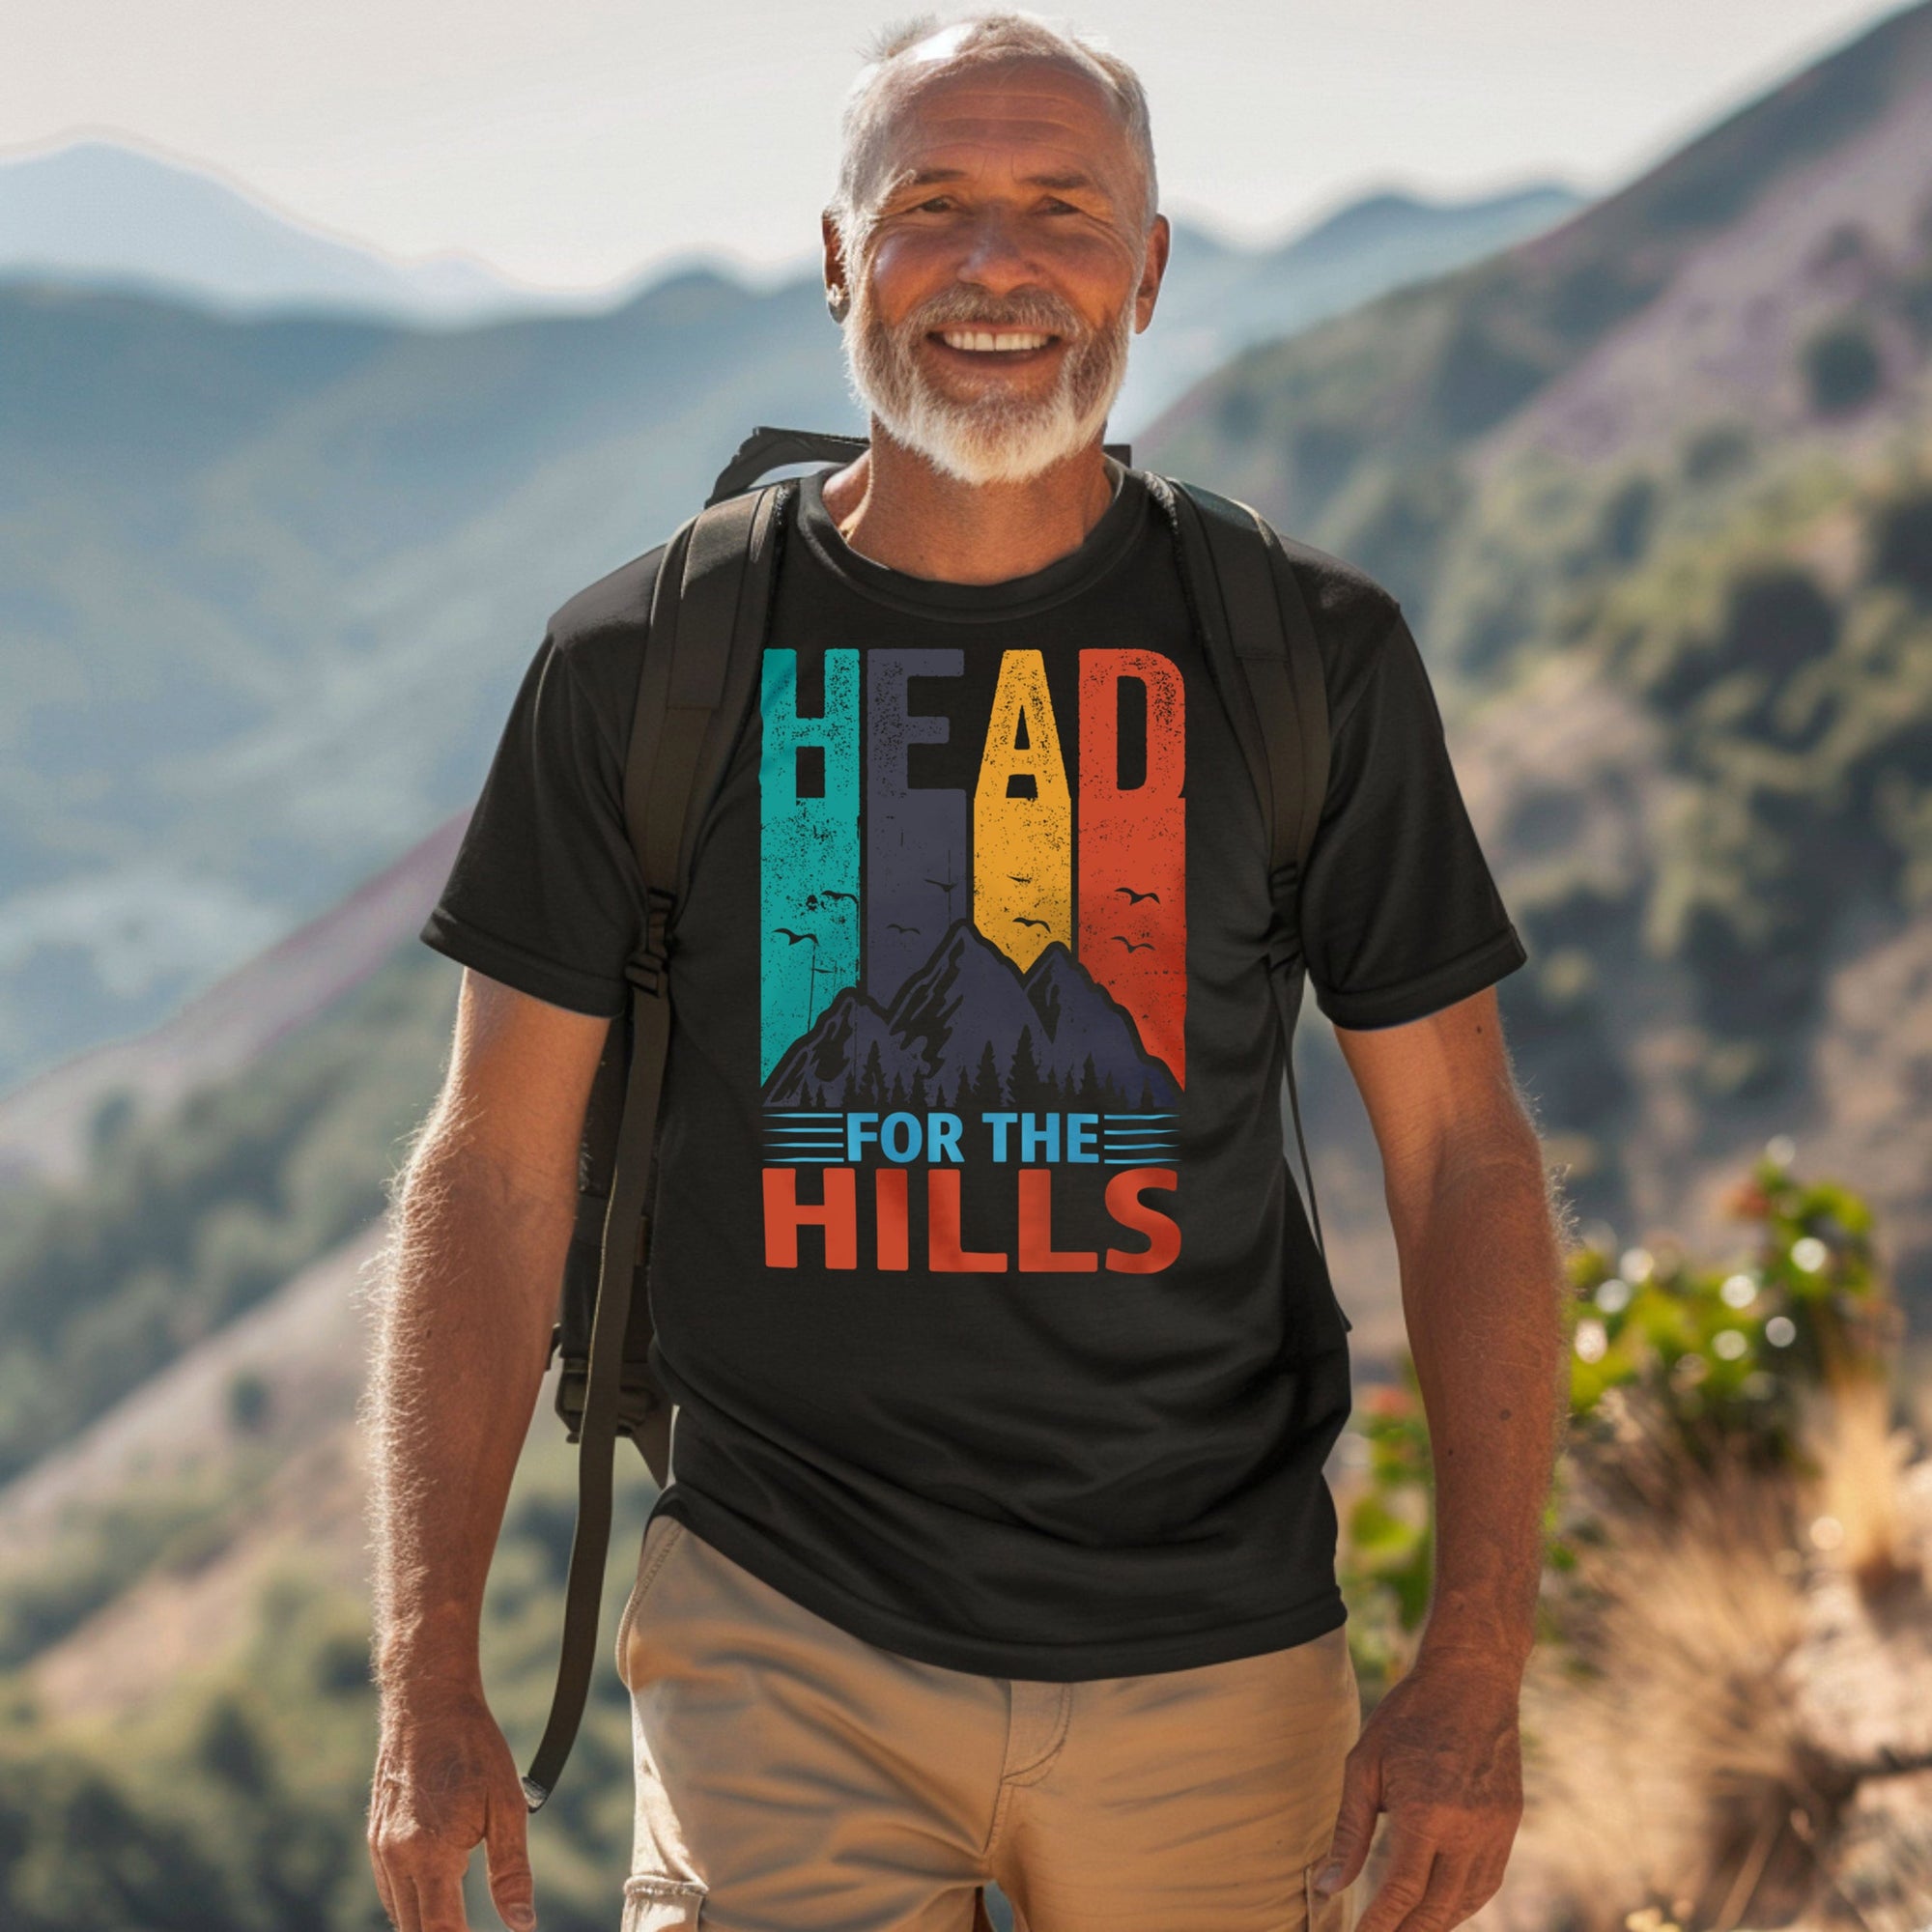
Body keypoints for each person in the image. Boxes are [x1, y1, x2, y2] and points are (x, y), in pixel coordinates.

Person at [365, 12, 1568, 1932]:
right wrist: (427, 1676)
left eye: (1059, 210)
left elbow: (1464, 1159)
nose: (996, 268)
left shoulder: (1302, 657)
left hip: (1221, 1659)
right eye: (931, 207)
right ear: (839, 257)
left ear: (1149, 265)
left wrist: (1474, 1667)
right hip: (780, 1649)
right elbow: (491, 1173)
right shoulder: (641, 666)